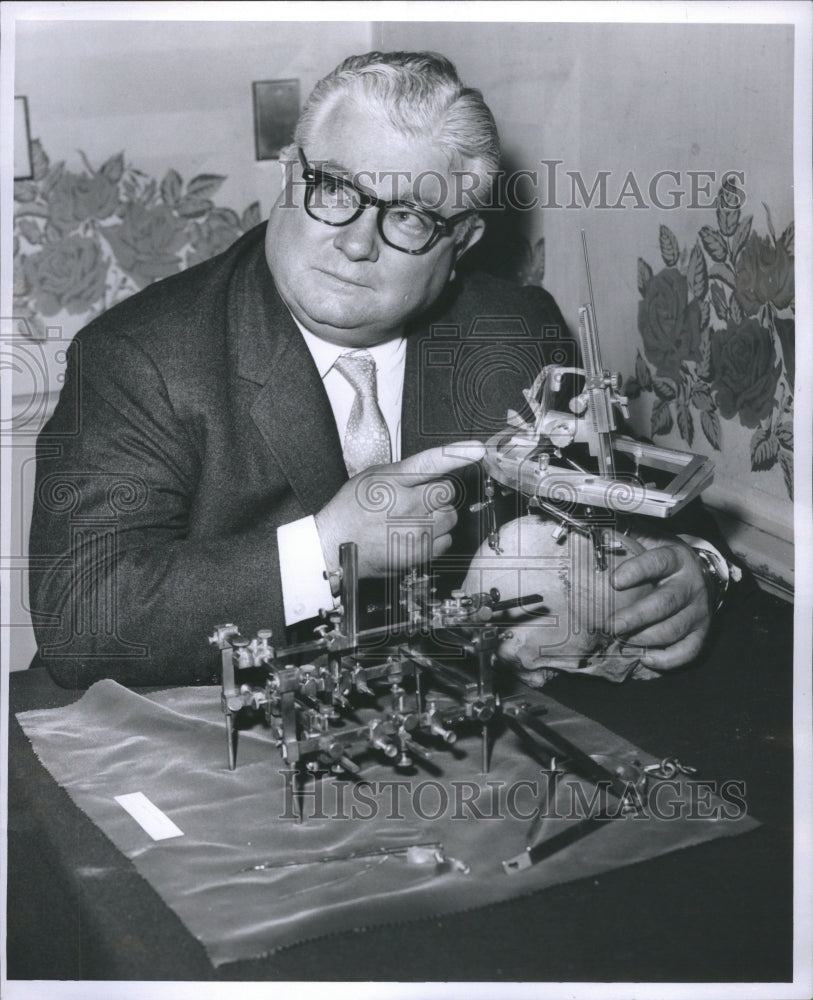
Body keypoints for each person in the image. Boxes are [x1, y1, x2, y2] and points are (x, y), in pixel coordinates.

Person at [28, 51, 723, 689]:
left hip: (456, 719)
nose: (357, 242)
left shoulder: (515, 329)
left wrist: (696, 567)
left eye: (412, 219)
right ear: (288, 175)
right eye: (333, 189)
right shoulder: (139, 355)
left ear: (463, 241)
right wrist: (327, 549)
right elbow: (80, 619)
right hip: (221, 738)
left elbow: (621, 503)